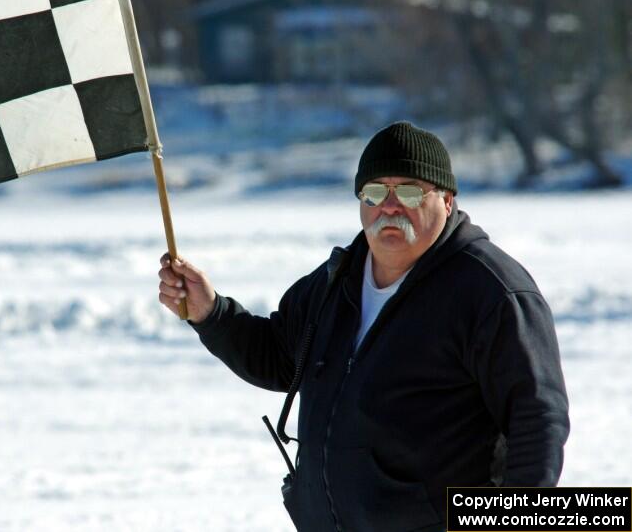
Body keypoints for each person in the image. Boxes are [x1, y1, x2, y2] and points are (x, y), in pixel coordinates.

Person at [157, 122, 570, 532]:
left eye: (409, 191)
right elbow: (282, 358)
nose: (390, 207)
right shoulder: (339, 279)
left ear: (446, 200)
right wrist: (211, 313)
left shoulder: (491, 292)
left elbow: (537, 422)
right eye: (375, 192)